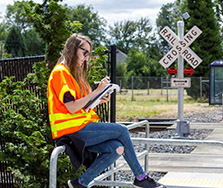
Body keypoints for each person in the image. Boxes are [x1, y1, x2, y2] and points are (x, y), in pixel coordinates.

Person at [47, 33, 166, 188]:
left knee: (116, 148)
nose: (87, 58)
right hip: (70, 130)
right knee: (122, 131)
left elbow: (82, 107)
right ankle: (140, 177)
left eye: (89, 54)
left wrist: (98, 99)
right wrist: (96, 92)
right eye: (85, 53)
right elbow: (72, 107)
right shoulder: (60, 72)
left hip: (79, 126)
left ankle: (80, 183)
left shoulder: (73, 75)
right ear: (73, 49)